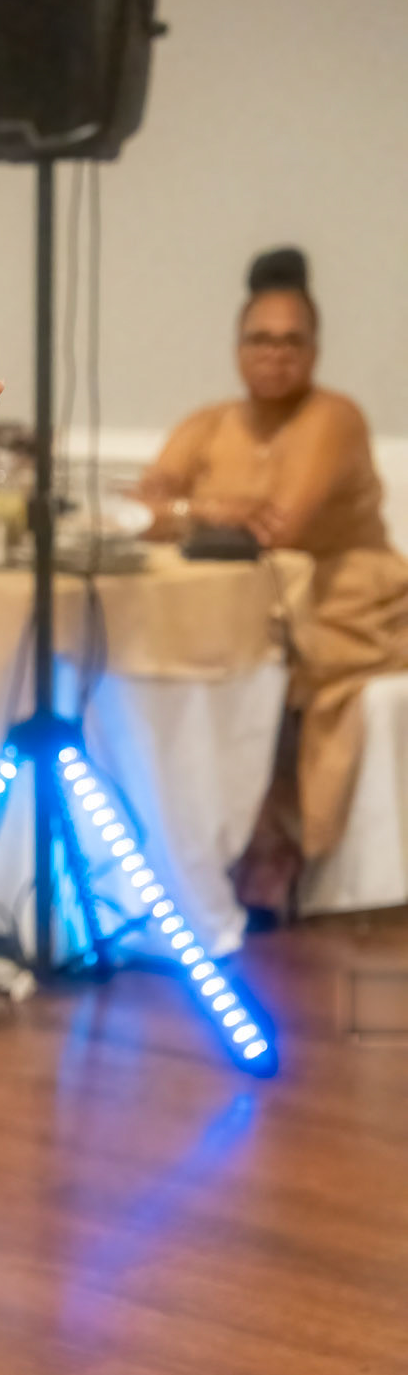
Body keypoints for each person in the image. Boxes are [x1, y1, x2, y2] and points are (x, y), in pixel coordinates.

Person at [139, 247, 408, 919]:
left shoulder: (333, 417)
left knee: (273, 660)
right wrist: (212, 510)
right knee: (160, 651)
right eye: (260, 340)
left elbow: (281, 527)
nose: (275, 356)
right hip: (236, 596)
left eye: (292, 342)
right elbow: (146, 507)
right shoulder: (208, 423)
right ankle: (188, 843)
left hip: (345, 598)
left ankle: (276, 843)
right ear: (237, 348)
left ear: (315, 351)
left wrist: (191, 510)